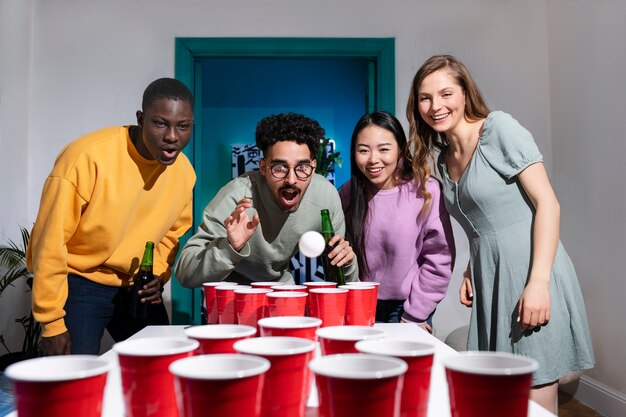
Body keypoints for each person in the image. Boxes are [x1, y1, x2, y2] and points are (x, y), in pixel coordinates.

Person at [406, 54, 594, 412]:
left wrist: (537, 284)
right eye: (425, 98)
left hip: (530, 271)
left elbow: (548, 205)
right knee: (499, 393)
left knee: (535, 392)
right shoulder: (444, 160)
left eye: (446, 94)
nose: (435, 106)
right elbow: (481, 219)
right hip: (490, 280)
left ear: (464, 93)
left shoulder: (498, 129)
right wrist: (469, 269)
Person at [26, 78, 196, 356]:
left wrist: (157, 273)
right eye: (161, 123)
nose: (172, 136)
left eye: (183, 126)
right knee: (77, 376)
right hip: (79, 279)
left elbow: (172, 233)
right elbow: (50, 242)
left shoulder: (184, 172)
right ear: (141, 119)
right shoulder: (86, 157)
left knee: (164, 363)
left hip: (133, 283)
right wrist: (52, 323)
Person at [174, 112, 358, 287]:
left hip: (280, 287)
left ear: (313, 166)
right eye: (279, 167)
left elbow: (341, 277)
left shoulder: (325, 196)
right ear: (263, 167)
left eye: (302, 167)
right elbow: (185, 273)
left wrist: (347, 263)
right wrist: (229, 247)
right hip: (231, 290)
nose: (291, 180)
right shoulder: (236, 196)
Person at [339, 111, 455, 332]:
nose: (373, 159)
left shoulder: (425, 190)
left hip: (407, 308)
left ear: (400, 150)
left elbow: (439, 258)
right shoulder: (347, 194)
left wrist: (416, 315)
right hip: (359, 305)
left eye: (384, 149)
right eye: (363, 150)